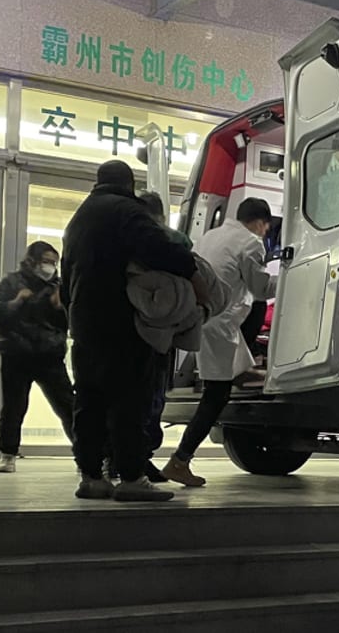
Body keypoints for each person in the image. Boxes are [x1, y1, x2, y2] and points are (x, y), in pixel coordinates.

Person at [61, 160, 205, 502]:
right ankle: (131, 477)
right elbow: (160, 247)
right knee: (129, 400)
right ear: (128, 184)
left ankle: (92, 477)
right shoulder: (126, 210)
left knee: (90, 401)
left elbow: (66, 281)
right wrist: (195, 277)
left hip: (84, 323)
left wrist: (73, 315)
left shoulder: (77, 220)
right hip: (120, 321)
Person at [163, 197, 279, 487]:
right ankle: (179, 460)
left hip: (203, 318)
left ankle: (245, 373)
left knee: (231, 375)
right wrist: (293, 276)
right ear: (260, 223)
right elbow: (261, 289)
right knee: (216, 397)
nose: (265, 233)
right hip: (221, 323)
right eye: (266, 227)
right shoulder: (251, 243)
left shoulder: (209, 236)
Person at [0, 240, 76, 473]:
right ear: (32, 261)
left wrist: (60, 308)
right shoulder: (13, 282)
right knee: (14, 406)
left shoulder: (59, 287)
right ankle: (8, 455)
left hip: (50, 354)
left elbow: (72, 321)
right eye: (46, 261)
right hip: (17, 353)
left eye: (54, 263)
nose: (50, 267)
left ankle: (85, 454)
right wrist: (16, 302)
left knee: (68, 405)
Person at [130, 191, 196, 483]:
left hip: (132, 327)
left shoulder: (126, 241)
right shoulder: (175, 240)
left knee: (130, 396)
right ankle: (140, 457)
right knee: (154, 397)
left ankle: (127, 457)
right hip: (165, 330)